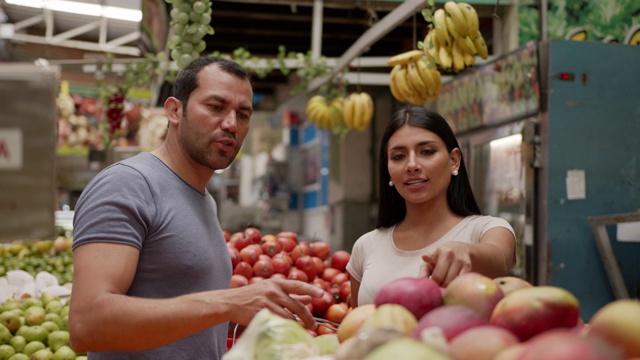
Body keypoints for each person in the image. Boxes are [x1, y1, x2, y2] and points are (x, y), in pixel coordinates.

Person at [69, 57, 323, 360]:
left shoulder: (203, 199)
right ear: (175, 110)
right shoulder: (129, 184)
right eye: (216, 107)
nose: (231, 124)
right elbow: (88, 324)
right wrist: (229, 303)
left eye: (243, 114)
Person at [346, 105, 516, 307]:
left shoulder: (487, 230)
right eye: (398, 156)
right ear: (388, 169)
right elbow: (354, 327)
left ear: (454, 161)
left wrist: (466, 252)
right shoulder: (366, 246)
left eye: (426, 151)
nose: (412, 165)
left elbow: (499, 258)